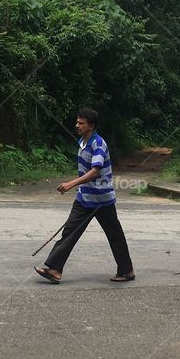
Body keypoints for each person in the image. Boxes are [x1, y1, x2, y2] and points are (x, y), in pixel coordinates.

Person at [35, 108, 134, 284]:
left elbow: (95, 171)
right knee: (69, 233)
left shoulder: (98, 143)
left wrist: (71, 184)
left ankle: (126, 271)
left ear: (92, 126)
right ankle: (55, 270)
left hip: (101, 201)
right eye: (77, 122)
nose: (77, 125)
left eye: (81, 123)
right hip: (85, 198)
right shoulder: (82, 141)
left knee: (114, 235)